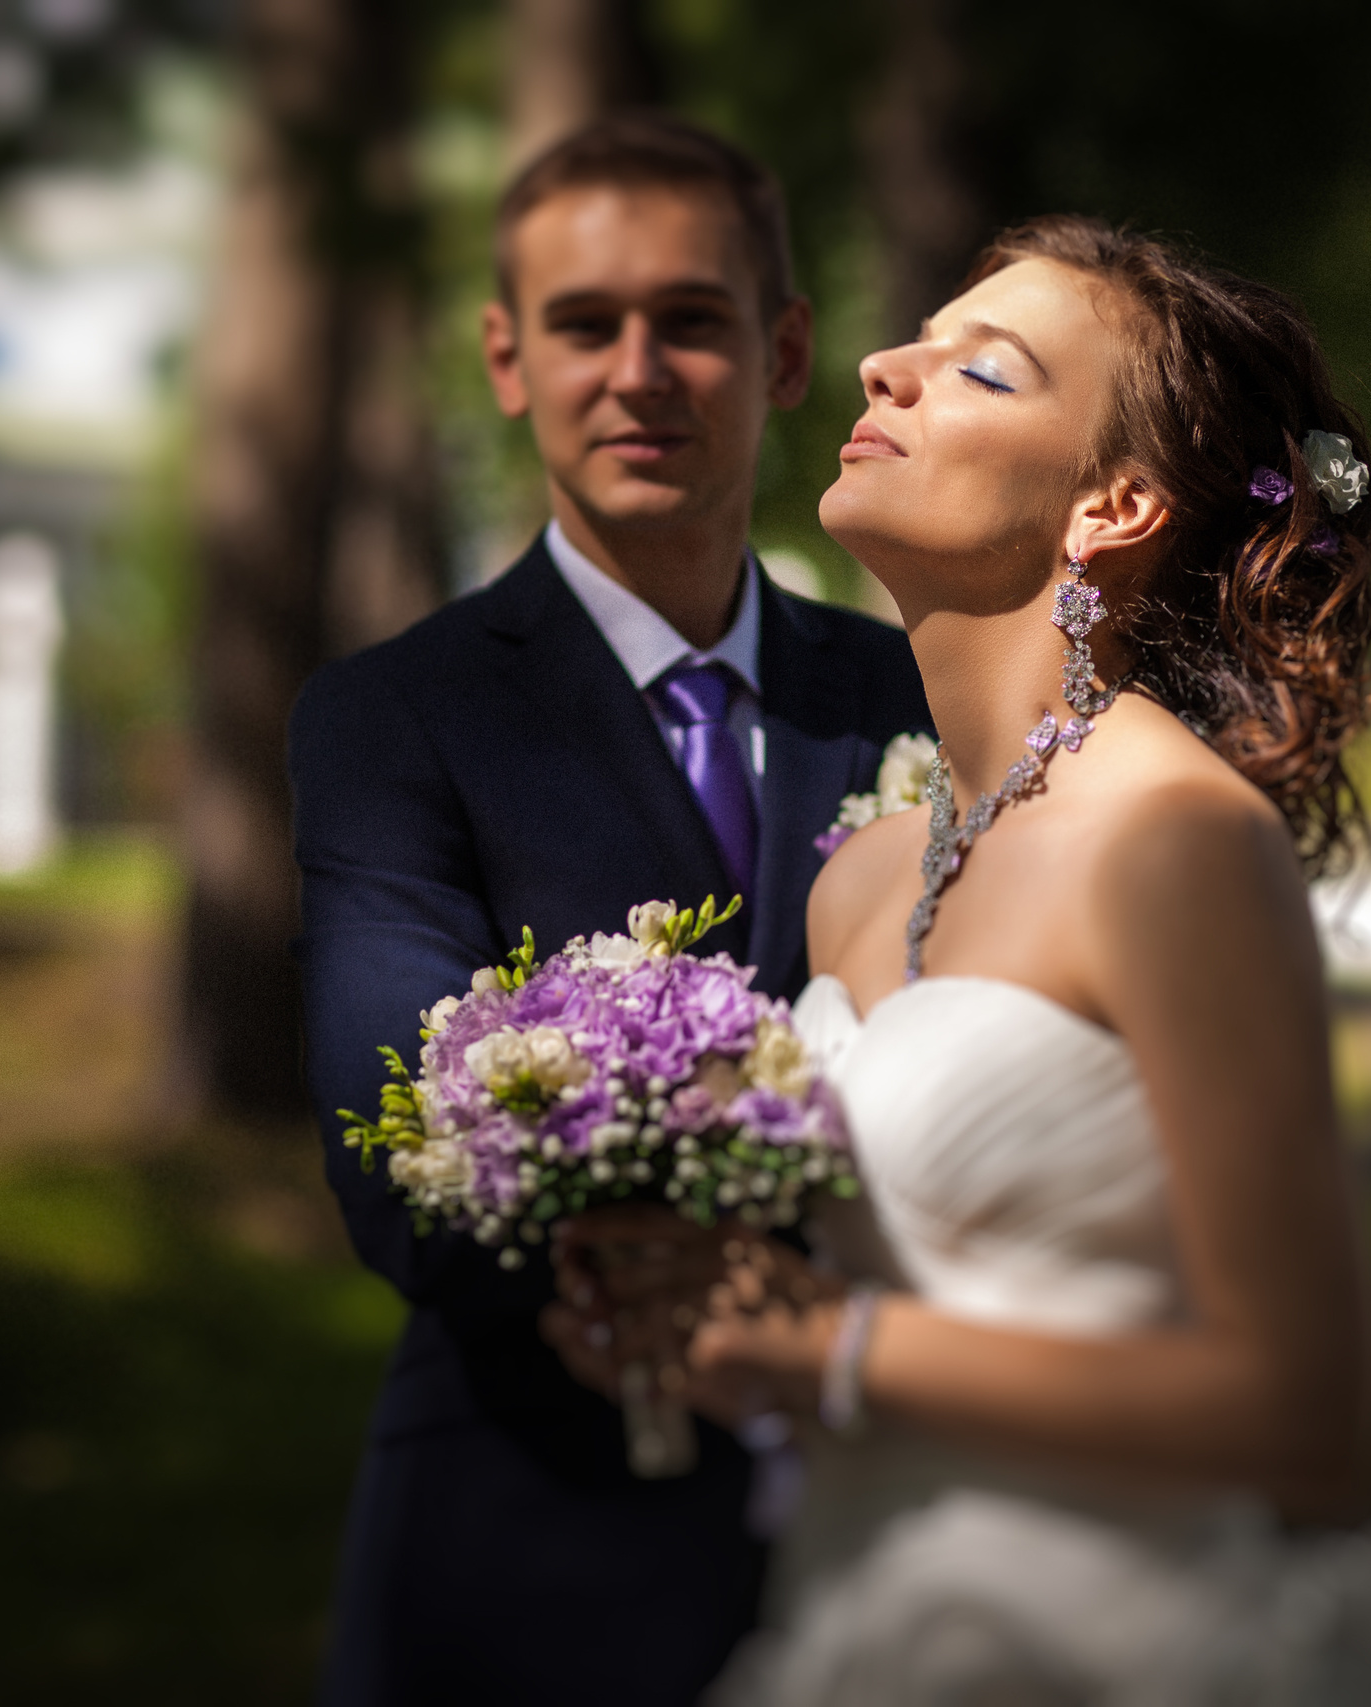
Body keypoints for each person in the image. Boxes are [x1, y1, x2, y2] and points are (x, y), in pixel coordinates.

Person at [554, 217, 1371, 1702]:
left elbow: (1316, 1421)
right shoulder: (862, 881)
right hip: (858, 1619)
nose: (885, 367)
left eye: (982, 371)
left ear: (1114, 506)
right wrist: (704, 1325)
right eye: (913, 342)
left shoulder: (1173, 842)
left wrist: (832, 1347)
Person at [289, 115, 932, 1706]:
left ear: (787, 353)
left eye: (692, 319)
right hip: (528, 1559)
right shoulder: (393, 720)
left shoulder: (919, 699)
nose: (639, 372)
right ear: (509, 362)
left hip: (909, 1538)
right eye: (585, 325)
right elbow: (407, 1160)